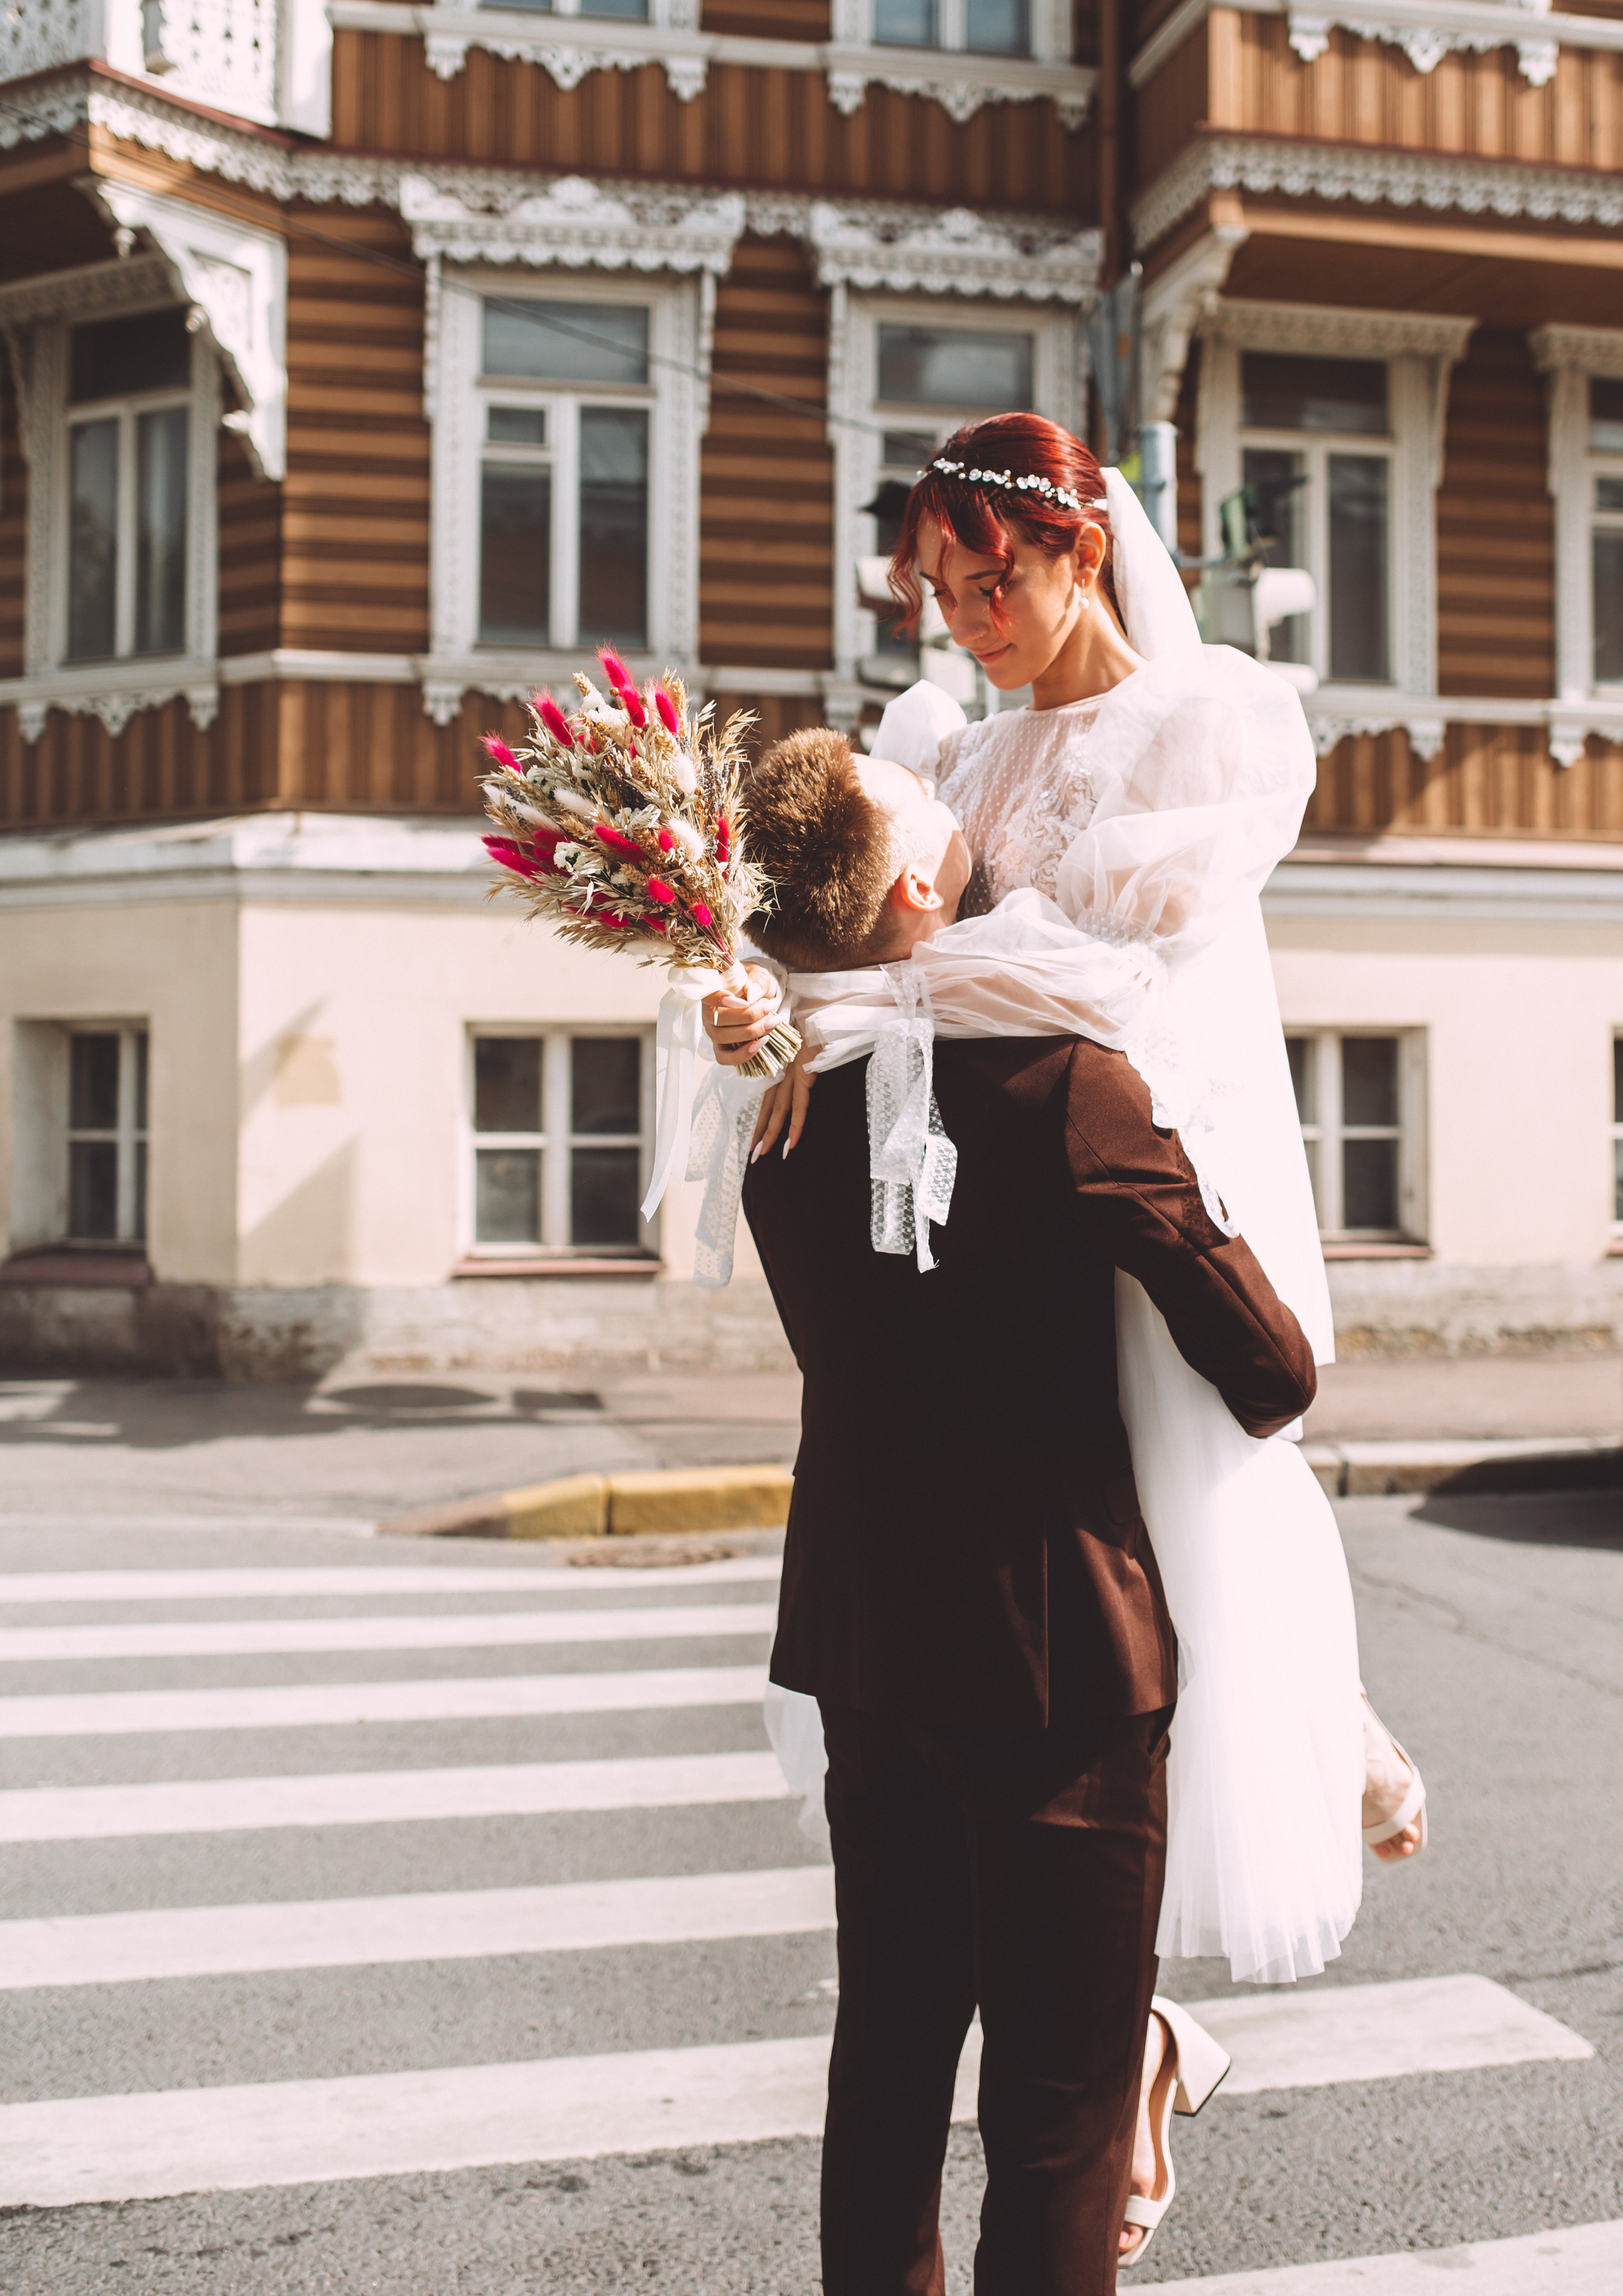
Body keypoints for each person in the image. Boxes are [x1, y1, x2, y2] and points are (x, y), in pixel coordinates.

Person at [738, 728, 1317, 2293]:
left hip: (866, 1642)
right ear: (925, 878)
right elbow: (1267, 1365)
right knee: (1060, 2115)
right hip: (1055, 1663)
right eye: (918, 784)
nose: (949, 772)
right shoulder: (1063, 1077)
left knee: (887, 2063)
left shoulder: (778, 1104)